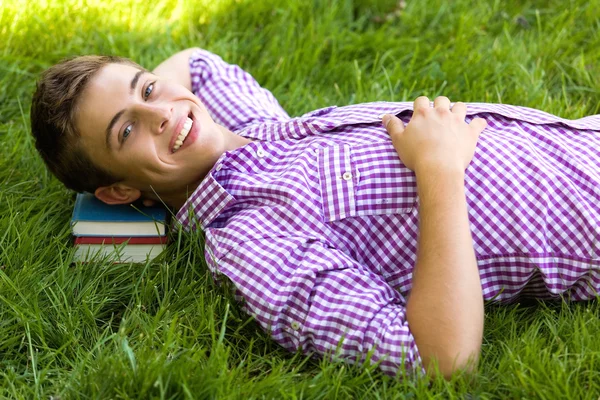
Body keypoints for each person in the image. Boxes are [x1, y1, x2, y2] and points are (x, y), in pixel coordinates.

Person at [30, 48, 600, 380]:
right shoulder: (250, 241)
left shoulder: (247, 129)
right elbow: (441, 358)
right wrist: (440, 170)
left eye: (147, 88)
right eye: (125, 130)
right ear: (118, 191)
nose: (160, 113)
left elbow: (194, 64)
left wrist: (144, 163)